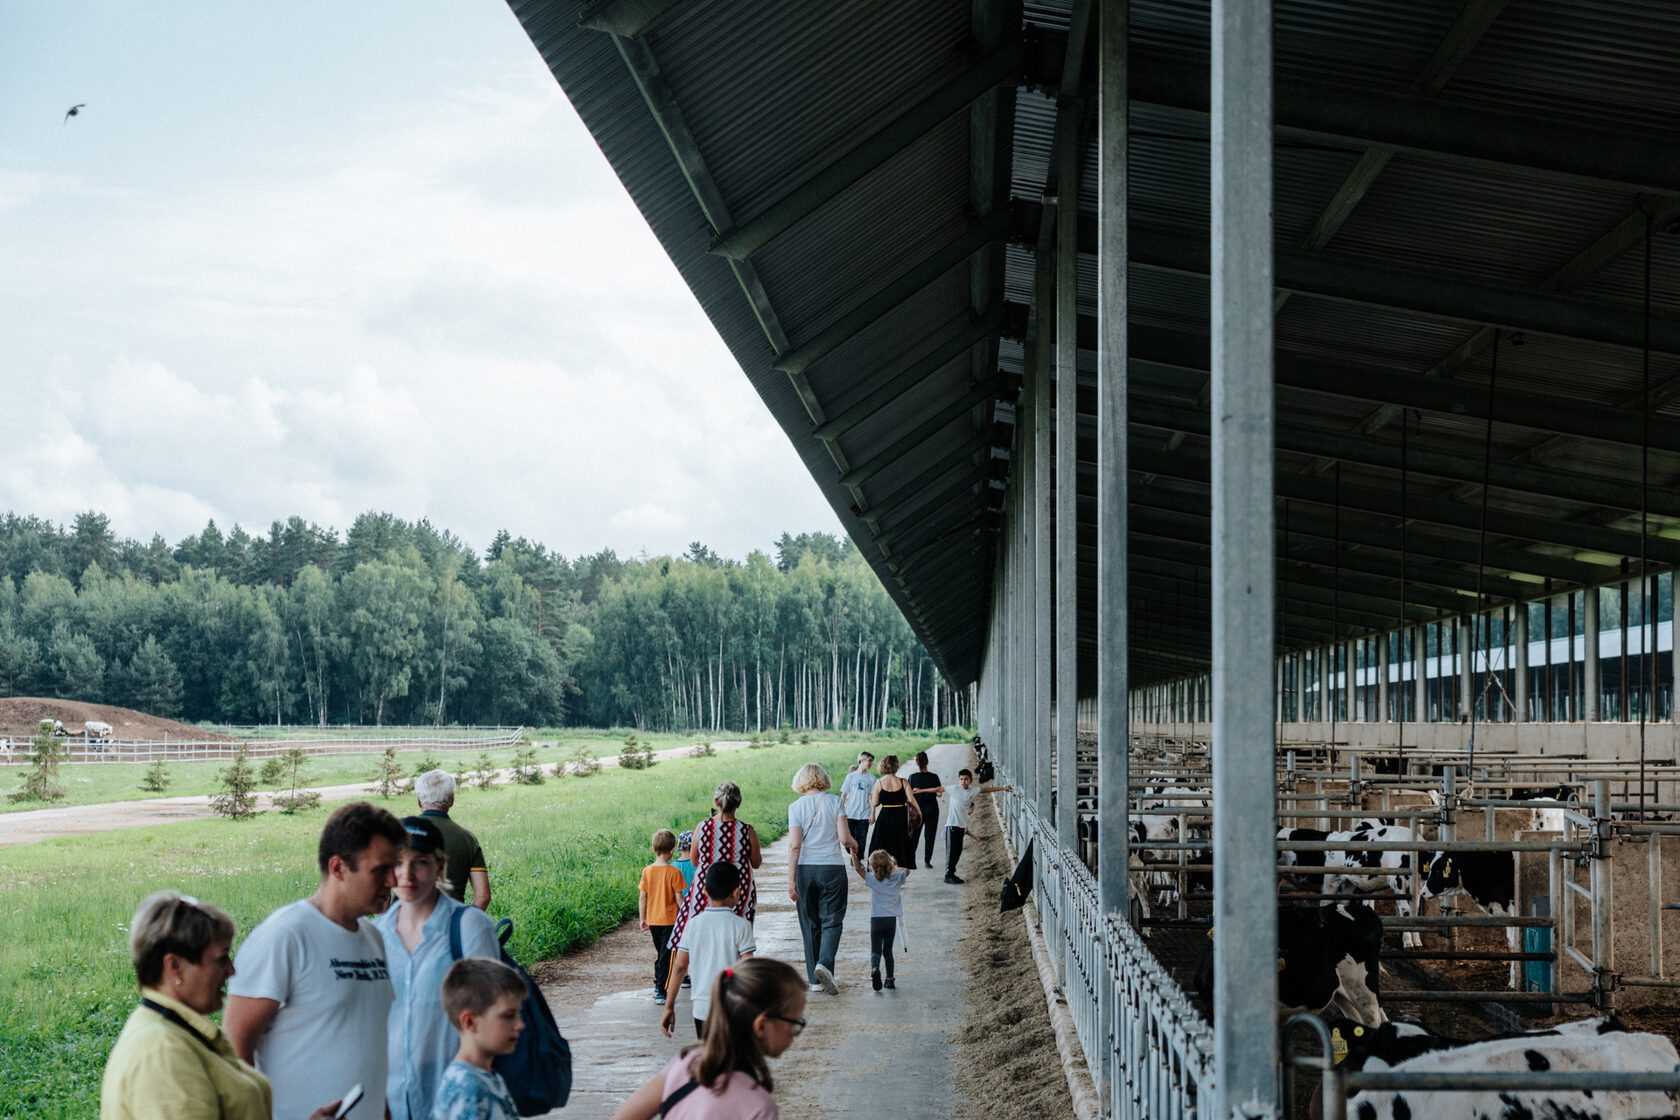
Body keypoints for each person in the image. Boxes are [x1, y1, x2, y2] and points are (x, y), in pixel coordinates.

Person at [225, 801, 406, 1120]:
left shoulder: (373, 937)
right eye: (380, 870)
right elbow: (234, 1048)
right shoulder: (284, 937)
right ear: (338, 868)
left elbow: (367, 1044)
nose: (393, 881)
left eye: (394, 868)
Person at [100, 891, 344, 1120]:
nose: (231, 970)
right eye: (220, 959)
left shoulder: (173, 1031)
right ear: (174, 966)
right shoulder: (162, 1052)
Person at [374, 816, 500, 1120]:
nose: (407, 875)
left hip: (455, 1098)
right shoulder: (375, 934)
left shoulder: (470, 926)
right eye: (398, 863)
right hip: (390, 1100)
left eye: (420, 863)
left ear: (439, 866)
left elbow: (491, 1018)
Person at [611, 957, 807, 1120]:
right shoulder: (758, 1106)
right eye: (794, 1023)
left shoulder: (687, 1061)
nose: (795, 1031)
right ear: (761, 1025)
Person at [785, 763, 862, 994]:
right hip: (832, 868)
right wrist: (854, 844)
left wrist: (791, 880)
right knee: (832, 921)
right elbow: (844, 838)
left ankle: (815, 981)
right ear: (823, 779)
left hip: (805, 870)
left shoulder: (795, 806)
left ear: (802, 781)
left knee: (810, 924)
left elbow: (794, 845)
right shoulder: (835, 801)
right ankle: (825, 964)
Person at [661, 862, 756, 1039]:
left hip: (702, 1009)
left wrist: (669, 1006)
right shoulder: (741, 926)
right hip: (734, 1008)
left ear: (704, 891)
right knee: (733, 1060)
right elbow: (749, 968)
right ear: (736, 893)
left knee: (710, 1060)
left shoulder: (692, 925)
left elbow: (680, 968)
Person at [667, 781, 762, 948]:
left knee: (702, 932)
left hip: (707, 888)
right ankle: (733, 967)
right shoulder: (747, 831)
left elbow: (694, 860)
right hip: (737, 890)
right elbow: (756, 862)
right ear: (738, 803)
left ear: (716, 802)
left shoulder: (702, 827)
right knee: (736, 937)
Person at [432, 958, 528, 1120]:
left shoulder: (488, 1077)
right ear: (470, 1022)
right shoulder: (467, 1090)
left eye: (518, 1014)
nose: (519, 1025)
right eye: (508, 1016)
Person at [414, 769, 491, 910]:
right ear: (452, 800)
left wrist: (386, 925)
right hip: (450, 924)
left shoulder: (398, 832)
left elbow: (383, 890)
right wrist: (463, 923)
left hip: (403, 926)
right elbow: (483, 896)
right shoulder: (468, 839)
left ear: (419, 801)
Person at [639, 828, 688, 1004]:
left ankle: (657, 984)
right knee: (667, 956)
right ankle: (661, 990)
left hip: (653, 920)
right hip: (670, 921)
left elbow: (643, 896)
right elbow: (680, 899)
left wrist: (642, 918)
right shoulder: (674, 872)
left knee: (662, 954)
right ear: (672, 850)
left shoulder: (647, 871)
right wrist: (687, 915)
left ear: (653, 849)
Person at [944, 768, 1013, 884]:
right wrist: (920, 791)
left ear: (970, 780)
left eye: (966, 779)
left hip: (960, 826)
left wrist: (1003, 788)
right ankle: (948, 875)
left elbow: (986, 790)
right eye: (961, 779)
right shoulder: (954, 789)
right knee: (952, 852)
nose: (963, 781)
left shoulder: (972, 791)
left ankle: (952, 873)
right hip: (952, 826)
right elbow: (937, 789)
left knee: (958, 851)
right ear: (958, 780)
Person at [859, 850, 908, 991]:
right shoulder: (897, 877)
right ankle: (890, 979)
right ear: (890, 863)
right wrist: (892, 869)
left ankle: (875, 969)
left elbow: (857, 868)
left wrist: (853, 854)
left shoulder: (872, 879)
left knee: (875, 950)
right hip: (890, 920)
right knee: (888, 951)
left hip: (876, 920)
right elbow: (907, 870)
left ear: (873, 867)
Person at [866, 754, 916, 871]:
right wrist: (919, 812)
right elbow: (911, 800)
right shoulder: (903, 782)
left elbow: (875, 802)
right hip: (901, 816)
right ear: (896, 766)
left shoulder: (879, 782)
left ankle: (883, 871)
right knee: (900, 844)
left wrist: (872, 813)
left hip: (885, 815)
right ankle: (899, 872)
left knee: (883, 843)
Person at [906, 752, 944, 869]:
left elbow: (909, 796)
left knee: (914, 836)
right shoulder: (934, 777)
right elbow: (939, 794)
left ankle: (910, 860)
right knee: (930, 836)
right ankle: (927, 861)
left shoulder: (912, 777)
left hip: (917, 811)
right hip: (932, 809)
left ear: (917, 762)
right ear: (927, 762)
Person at [837, 752, 875, 853]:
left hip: (865, 814)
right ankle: (852, 855)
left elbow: (872, 797)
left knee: (862, 839)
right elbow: (844, 795)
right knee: (849, 838)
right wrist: (840, 811)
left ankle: (858, 859)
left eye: (872, 761)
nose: (871, 763)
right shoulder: (850, 777)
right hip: (850, 813)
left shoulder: (871, 778)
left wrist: (873, 813)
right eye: (869, 761)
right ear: (861, 761)